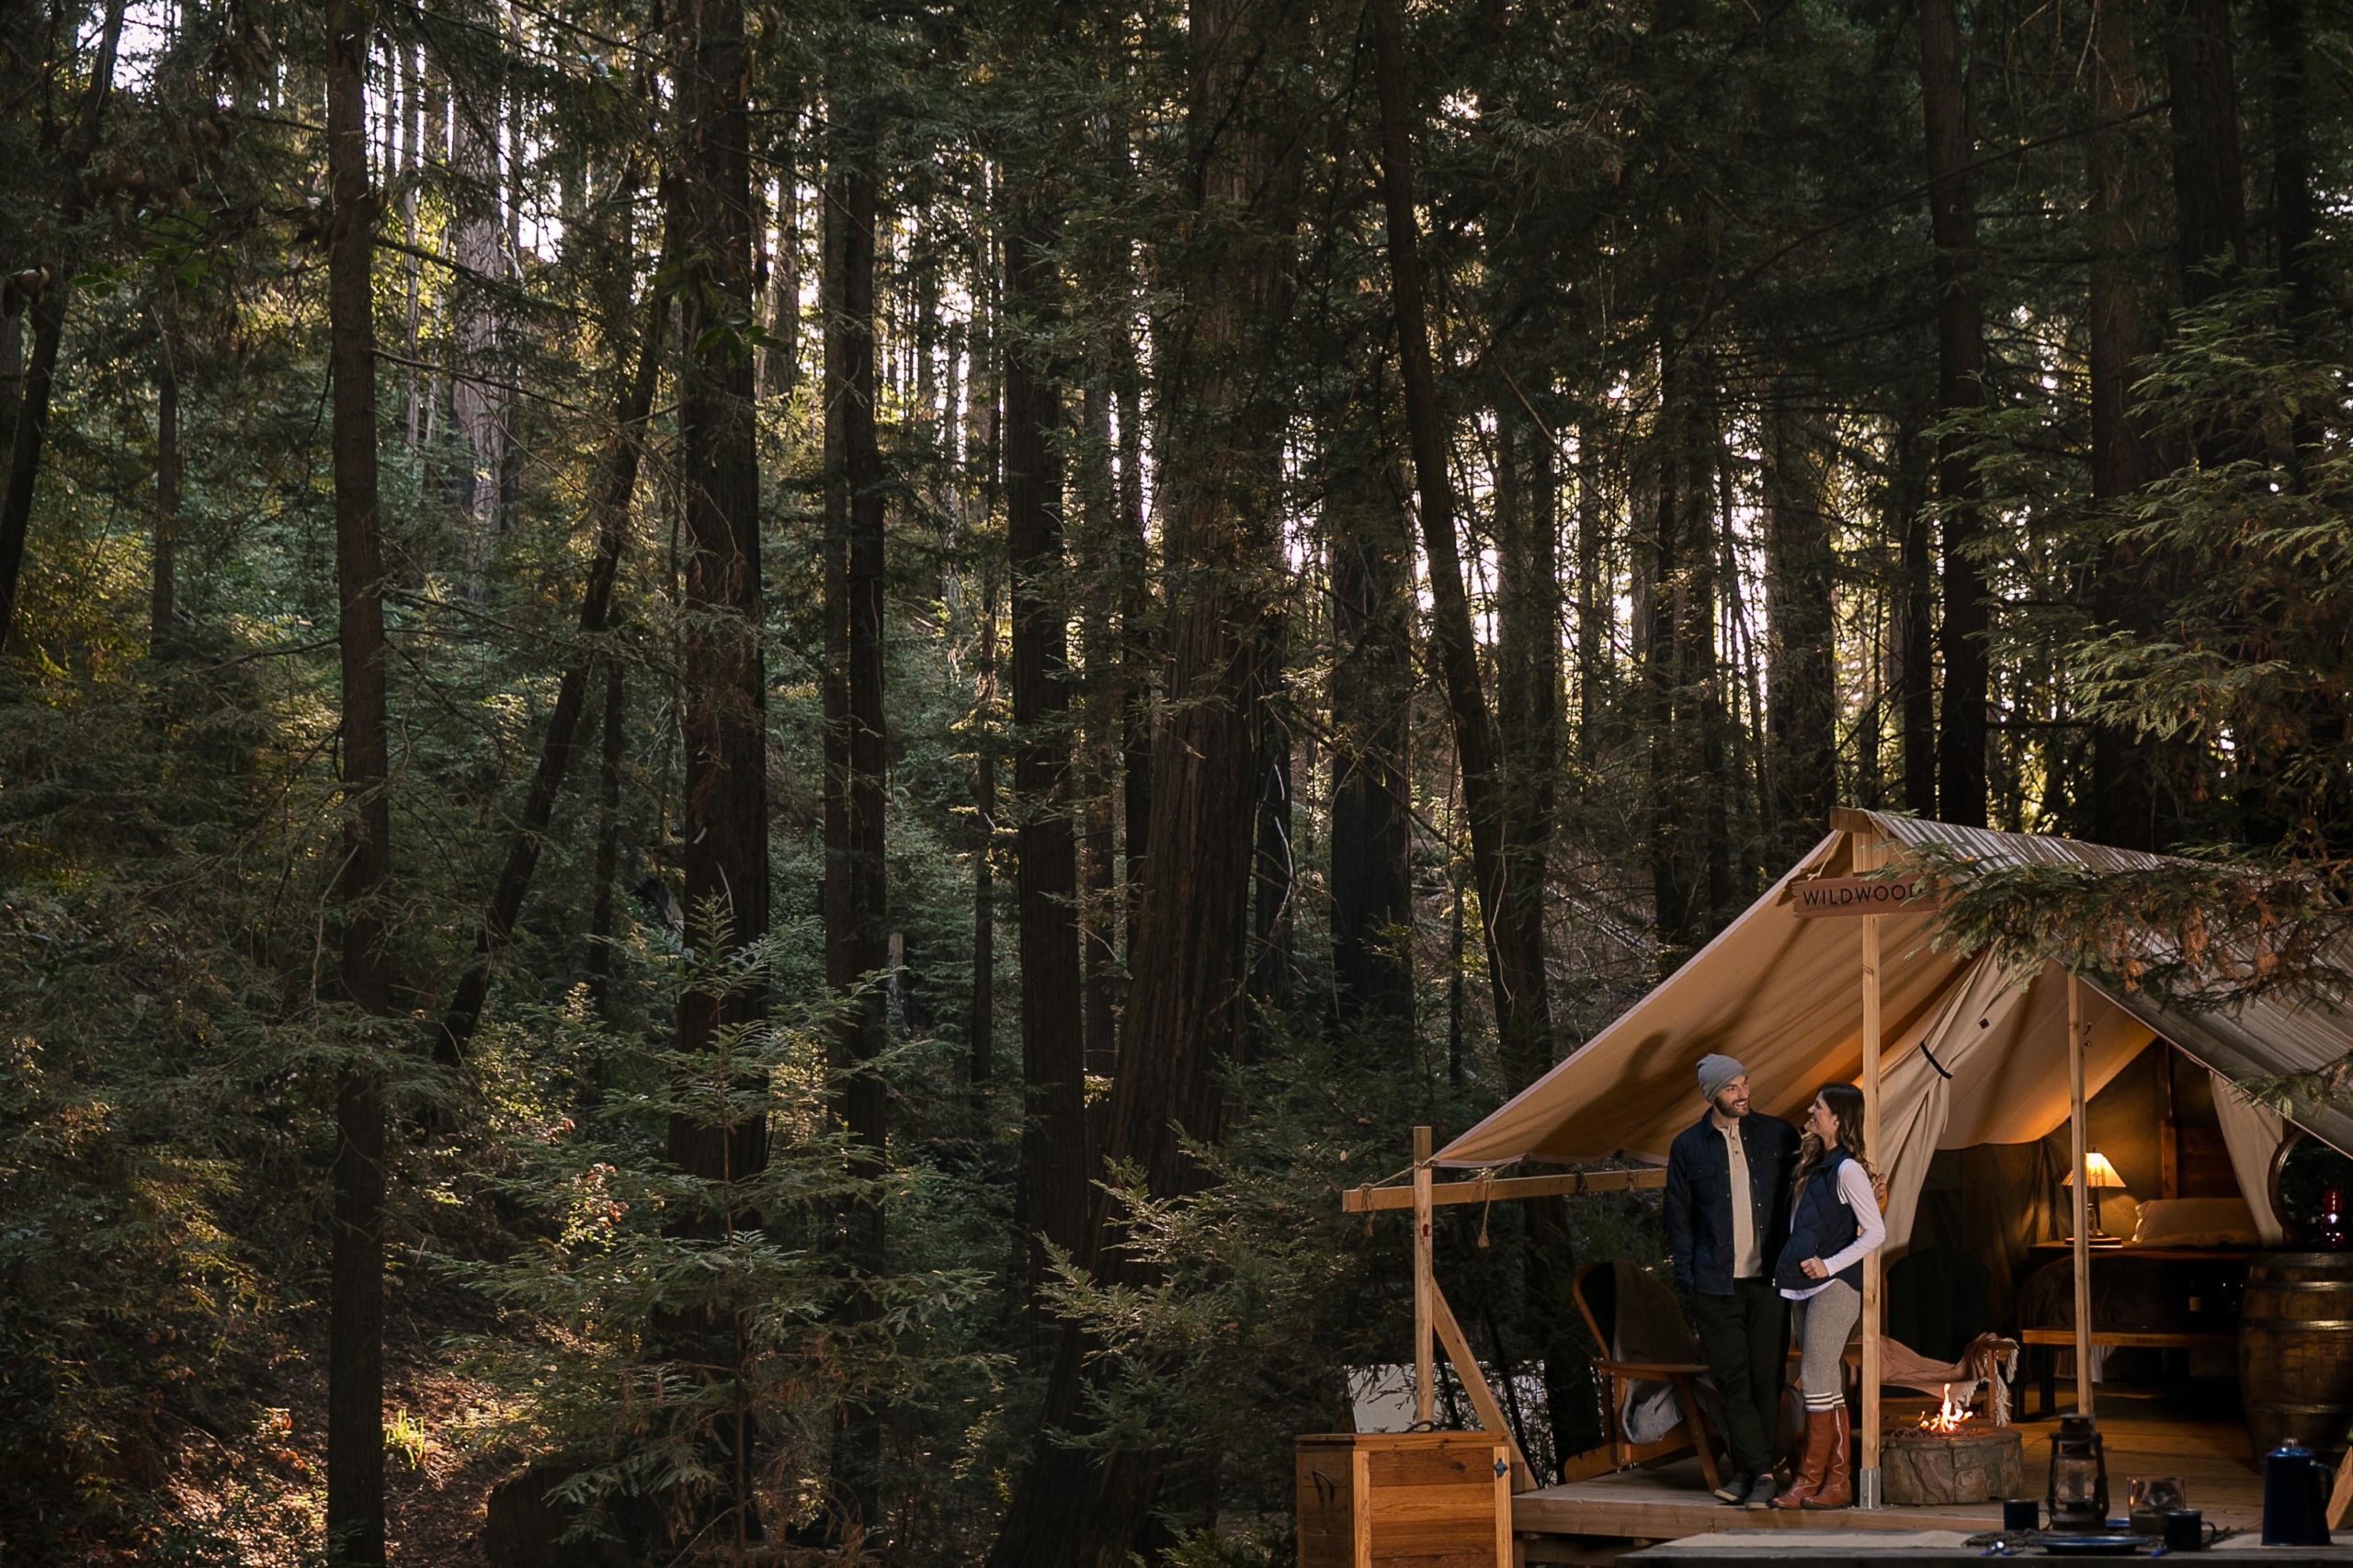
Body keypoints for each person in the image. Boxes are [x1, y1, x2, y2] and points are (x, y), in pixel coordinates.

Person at [1665, 1053, 1801, 1508]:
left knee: (1768, 1378)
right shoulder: (1687, 1147)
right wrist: (1689, 1279)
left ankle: (1750, 1473)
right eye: (1731, 1088)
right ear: (1712, 1095)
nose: (1742, 1094)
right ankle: (1763, 1474)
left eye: (1744, 1084)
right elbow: (1678, 1221)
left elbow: (1815, 1181)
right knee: (1733, 1381)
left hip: (1769, 1281)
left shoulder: (1779, 1134)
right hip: (1714, 1285)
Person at [1771, 1082, 1885, 1511]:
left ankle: (1807, 1480)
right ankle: (1837, 1484)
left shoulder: (1848, 1170)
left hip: (1835, 1288)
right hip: (1805, 1287)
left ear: (1837, 1118)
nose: (1810, 1109)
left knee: (1817, 1378)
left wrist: (1830, 1265)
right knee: (1827, 1386)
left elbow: (1876, 1232)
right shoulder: (1816, 1165)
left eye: (1817, 1106)